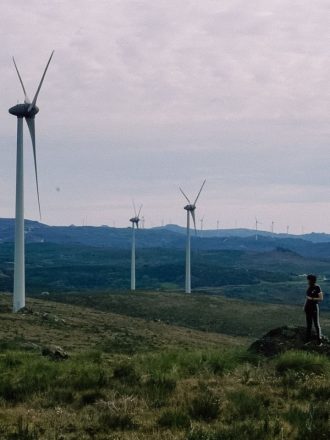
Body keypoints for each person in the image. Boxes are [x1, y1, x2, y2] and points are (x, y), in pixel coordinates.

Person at [304, 274, 323, 345]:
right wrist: (304, 306)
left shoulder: (317, 287)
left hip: (314, 307)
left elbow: (321, 298)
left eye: (308, 280)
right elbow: (307, 298)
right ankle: (307, 340)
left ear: (312, 280)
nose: (307, 281)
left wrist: (312, 299)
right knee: (309, 324)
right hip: (308, 307)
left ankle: (319, 341)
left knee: (316, 324)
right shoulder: (309, 287)